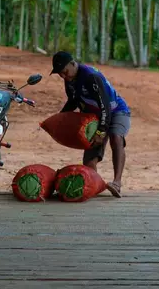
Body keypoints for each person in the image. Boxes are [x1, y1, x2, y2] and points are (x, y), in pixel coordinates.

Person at [50, 51, 131, 198]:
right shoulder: (70, 79)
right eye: (60, 74)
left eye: (65, 71)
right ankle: (94, 185)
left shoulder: (90, 77)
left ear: (73, 64)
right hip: (95, 116)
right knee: (90, 158)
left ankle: (117, 183)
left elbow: (105, 106)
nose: (63, 76)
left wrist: (101, 132)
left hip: (117, 110)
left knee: (115, 137)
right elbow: (73, 101)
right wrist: (60, 118)